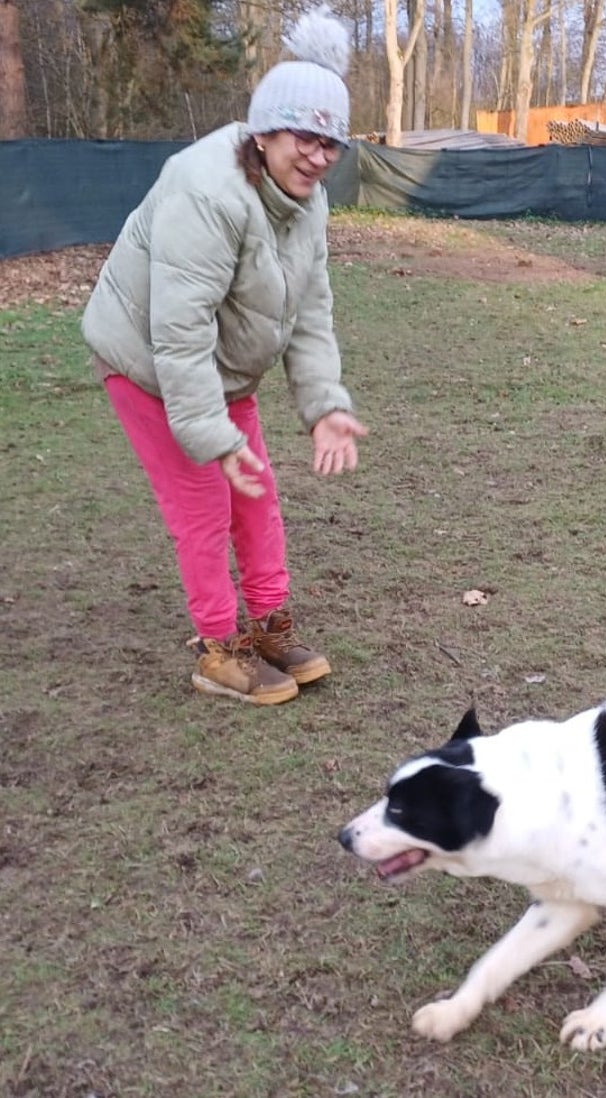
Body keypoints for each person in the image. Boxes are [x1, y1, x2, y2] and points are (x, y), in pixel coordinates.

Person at [82, 6, 367, 706]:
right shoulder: (206, 190)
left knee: (257, 494)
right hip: (149, 362)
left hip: (223, 367)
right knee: (205, 501)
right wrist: (211, 435)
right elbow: (177, 332)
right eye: (305, 136)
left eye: (331, 143)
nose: (318, 155)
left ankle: (269, 626)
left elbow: (310, 311)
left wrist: (325, 405)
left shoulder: (308, 200)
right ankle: (218, 648)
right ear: (265, 129)